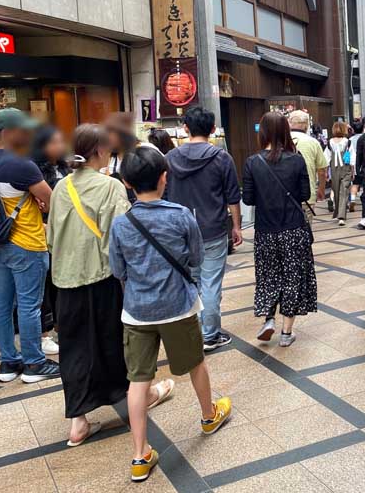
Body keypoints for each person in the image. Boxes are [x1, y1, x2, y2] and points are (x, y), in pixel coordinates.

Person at [109, 147, 232, 483]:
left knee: (138, 379)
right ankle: (208, 416)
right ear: (165, 178)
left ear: (127, 183)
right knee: (195, 363)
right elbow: (195, 258)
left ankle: (139, 455)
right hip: (178, 305)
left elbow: (117, 268)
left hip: (137, 311)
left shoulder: (121, 223)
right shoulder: (180, 215)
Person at [48, 125, 174, 446]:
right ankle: (137, 396)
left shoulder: (61, 187)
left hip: (64, 280)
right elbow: (123, 236)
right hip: (104, 278)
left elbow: (51, 237)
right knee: (116, 342)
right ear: (102, 151)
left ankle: (78, 421)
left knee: (75, 348)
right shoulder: (111, 187)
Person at [0, 108, 61, 384]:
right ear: (8, 132)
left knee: (3, 303)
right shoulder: (21, 164)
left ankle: (8, 362)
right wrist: (40, 204)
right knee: (30, 305)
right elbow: (53, 201)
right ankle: (34, 363)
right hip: (27, 242)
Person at [165, 107, 243, 351]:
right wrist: (237, 226)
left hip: (179, 231)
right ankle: (210, 335)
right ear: (212, 129)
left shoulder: (170, 158)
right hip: (213, 228)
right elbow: (232, 197)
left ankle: (192, 333)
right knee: (210, 282)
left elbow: (164, 195)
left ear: (185, 128)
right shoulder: (221, 158)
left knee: (190, 282)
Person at [243, 112, 318, 346]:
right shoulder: (296, 160)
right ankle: (286, 333)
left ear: (262, 132)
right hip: (293, 228)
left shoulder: (252, 162)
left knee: (268, 276)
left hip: (266, 231)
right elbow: (305, 194)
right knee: (292, 277)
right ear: (285, 131)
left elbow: (248, 199)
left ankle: (268, 320)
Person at [31, 124, 70, 356]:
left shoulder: (66, 169)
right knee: (45, 284)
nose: (60, 146)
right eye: (54, 142)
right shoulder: (35, 171)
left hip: (64, 233)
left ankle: (60, 326)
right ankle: (44, 333)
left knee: (60, 282)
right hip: (43, 234)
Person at [288, 110, 327, 220]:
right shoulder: (313, 142)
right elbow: (322, 170)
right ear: (306, 125)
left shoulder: (281, 140)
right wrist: (321, 189)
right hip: (307, 194)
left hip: (284, 195)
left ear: (290, 123)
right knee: (305, 229)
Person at [326, 122, 353, 226]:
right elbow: (352, 158)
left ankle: (341, 215)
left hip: (334, 169)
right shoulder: (347, 142)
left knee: (340, 190)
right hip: (345, 168)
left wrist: (326, 173)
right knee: (340, 191)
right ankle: (338, 214)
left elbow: (326, 158)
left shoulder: (330, 142)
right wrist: (353, 171)